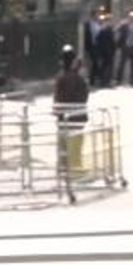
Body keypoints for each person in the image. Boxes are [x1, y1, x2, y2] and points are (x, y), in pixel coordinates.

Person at [53, 47, 90, 177]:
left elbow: (57, 97)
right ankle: (75, 170)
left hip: (62, 116)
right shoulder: (78, 78)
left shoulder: (60, 77)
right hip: (76, 116)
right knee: (75, 144)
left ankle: (62, 168)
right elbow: (84, 96)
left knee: (63, 144)